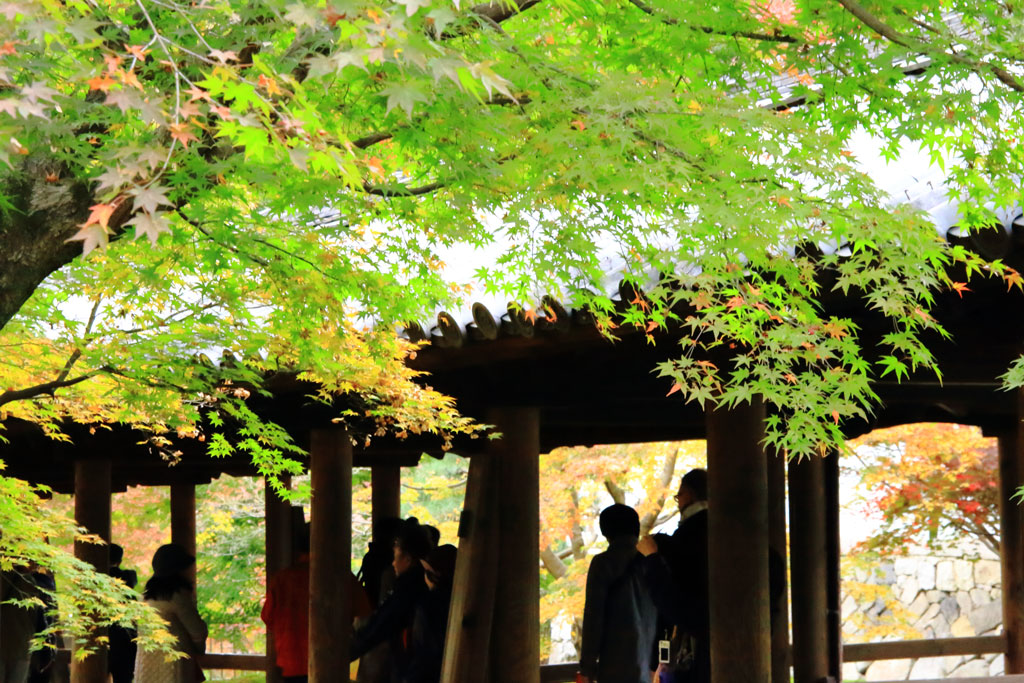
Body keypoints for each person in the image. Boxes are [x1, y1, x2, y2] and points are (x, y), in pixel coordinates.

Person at [262, 523, 371, 683]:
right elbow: (364, 616)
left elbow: (268, 618)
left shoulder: (281, 580)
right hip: (331, 663)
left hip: (292, 664)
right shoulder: (343, 578)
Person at [638, 469, 710, 683]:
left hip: (698, 652)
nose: (678, 502)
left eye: (679, 496)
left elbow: (671, 603)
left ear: (689, 495)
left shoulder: (685, 537)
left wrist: (652, 557)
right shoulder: (725, 531)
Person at [578, 504, 657, 683]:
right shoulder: (652, 562)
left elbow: (593, 618)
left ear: (606, 531)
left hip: (614, 668)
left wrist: (587, 668)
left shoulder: (603, 564)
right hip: (648, 668)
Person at [350, 519, 432, 682]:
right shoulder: (426, 582)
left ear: (407, 558)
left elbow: (382, 623)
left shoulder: (408, 588)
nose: (393, 563)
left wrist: (346, 652)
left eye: (396, 556)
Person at [134, 544, 208, 683]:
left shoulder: (145, 597)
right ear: (178, 570)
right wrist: (198, 650)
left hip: (145, 663)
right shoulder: (177, 596)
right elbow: (197, 630)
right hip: (174, 665)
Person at [404, 544, 457, 683]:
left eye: (427, 572)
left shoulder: (428, 604)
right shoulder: (460, 600)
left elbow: (424, 651)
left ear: (435, 575)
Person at [108, 544, 138, 683]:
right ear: (119, 561)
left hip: (103, 635)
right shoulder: (128, 583)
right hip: (126, 637)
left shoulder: (96, 581)